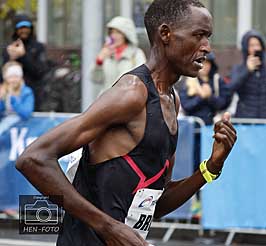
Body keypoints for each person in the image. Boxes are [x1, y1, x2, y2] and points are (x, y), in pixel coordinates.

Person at [16, 1, 237, 245]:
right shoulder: (131, 94)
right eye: (199, 35)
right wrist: (108, 227)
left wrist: (211, 168)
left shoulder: (171, 101)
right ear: (165, 34)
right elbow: (33, 159)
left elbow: (153, 205)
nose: (207, 47)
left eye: (208, 37)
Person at [2, 14, 48, 111]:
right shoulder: (9, 48)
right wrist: (10, 58)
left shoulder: (38, 47)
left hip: (33, 94)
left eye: (26, 27)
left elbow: (40, 72)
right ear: (15, 29)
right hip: (11, 96)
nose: (24, 30)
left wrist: (23, 56)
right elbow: (3, 73)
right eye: (21, 28)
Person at [91, 16, 146, 94]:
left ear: (126, 35)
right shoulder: (106, 53)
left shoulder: (136, 54)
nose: (114, 36)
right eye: (112, 32)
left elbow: (142, 80)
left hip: (128, 103)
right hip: (107, 103)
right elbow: (96, 79)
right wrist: (99, 62)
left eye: (118, 32)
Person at [179, 52, 231, 125]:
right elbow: (186, 106)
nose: (205, 66)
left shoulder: (217, 80)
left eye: (208, 63)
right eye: (202, 63)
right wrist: (201, 97)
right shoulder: (189, 81)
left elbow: (223, 103)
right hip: (193, 126)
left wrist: (210, 97)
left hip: (212, 125)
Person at [229, 29, 266, 118]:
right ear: (246, 48)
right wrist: (247, 70)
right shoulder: (238, 69)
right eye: (251, 45)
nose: (255, 48)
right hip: (245, 119)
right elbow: (231, 88)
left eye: (258, 45)